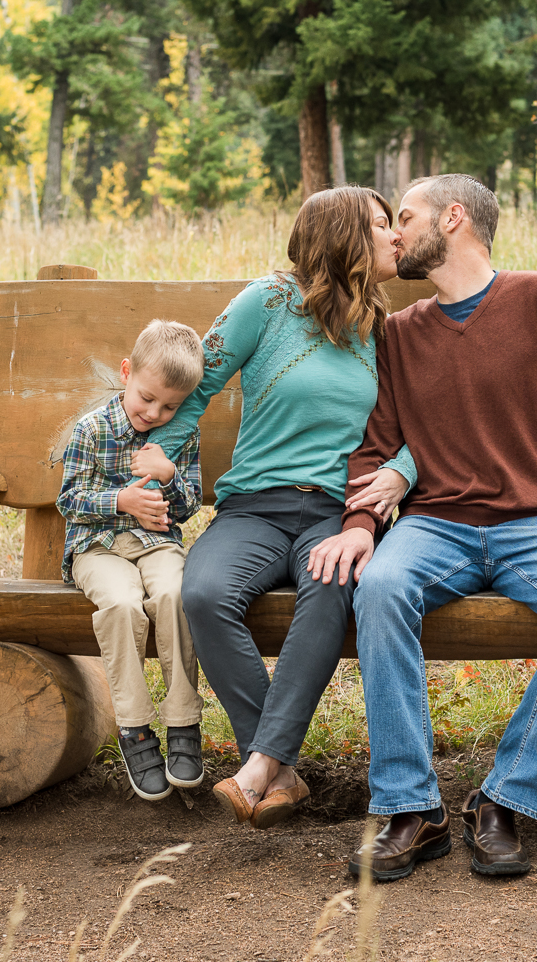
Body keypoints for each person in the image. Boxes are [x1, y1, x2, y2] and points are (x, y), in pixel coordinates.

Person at [306, 173, 537, 883]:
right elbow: (376, 443)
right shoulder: (399, 332)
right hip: (435, 525)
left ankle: (506, 797)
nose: (393, 234)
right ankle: (412, 809)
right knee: (381, 588)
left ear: (453, 219)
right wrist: (361, 523)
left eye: (407, 217)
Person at [149, 186, 419, 830]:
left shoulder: (386, 328)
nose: (396, 237)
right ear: (346, 238)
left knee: (329, 587)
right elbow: (198, 382)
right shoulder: (265, 302)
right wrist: (158, 456)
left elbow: (423, 425)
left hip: (339, 512)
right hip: (253, 508)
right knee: (204, 593)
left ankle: (259, 767)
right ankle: (280, 768)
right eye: (382, 226)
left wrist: (399, 474)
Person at [56, 319, 206, 801]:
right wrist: (121, 500)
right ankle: (135, 728)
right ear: (126, 372)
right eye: (147, 398)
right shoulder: (92, 429)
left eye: (170, 406)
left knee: (175, 594)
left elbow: (188, 506)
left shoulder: (179, 437)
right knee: (122, 604)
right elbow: (70, 499)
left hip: (157, 545)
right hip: (98, 549)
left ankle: (183, 721)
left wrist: (169, 477)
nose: (155, 412)